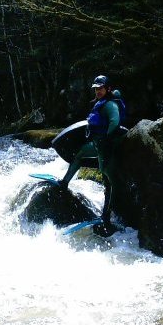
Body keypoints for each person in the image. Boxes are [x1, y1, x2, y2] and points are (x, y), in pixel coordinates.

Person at [59, 75, 123, 237]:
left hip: (106, 147)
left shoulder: (109, 105)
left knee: (109, 182)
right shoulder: (101, 103)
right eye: (96, 88)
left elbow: (115, 122)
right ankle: (64, 182)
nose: (97, 91)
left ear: (108, 89)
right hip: (97, 145)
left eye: (100, 88)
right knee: (80, 154)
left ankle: (106, 217)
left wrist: (107, 141)